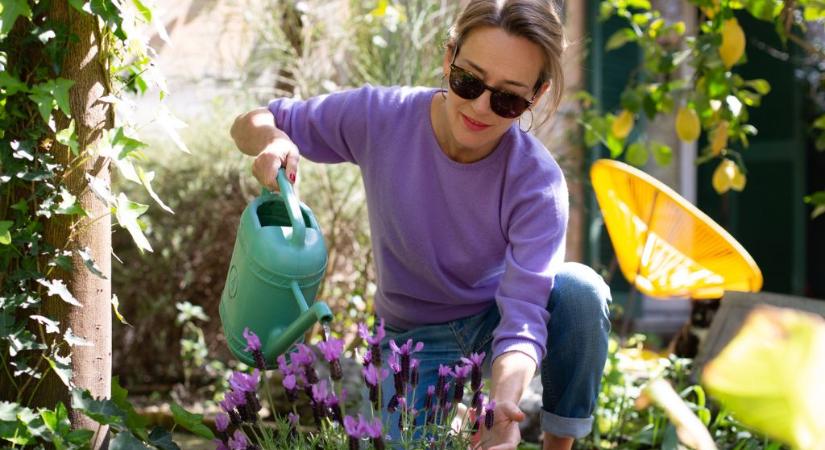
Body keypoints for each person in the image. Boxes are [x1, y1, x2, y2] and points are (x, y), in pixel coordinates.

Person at [230, 1, 611, 449]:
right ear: (449, 57)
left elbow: (524, 314)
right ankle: (453, 418)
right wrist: (273, 139)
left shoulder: (537, 181)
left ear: (536, 95)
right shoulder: (382, 116)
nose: (480, 107)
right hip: (412, 338)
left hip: (494, 323)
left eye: (507, 99)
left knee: (580, 291)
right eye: (468, 81)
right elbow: (251, 122)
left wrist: (503, 406)